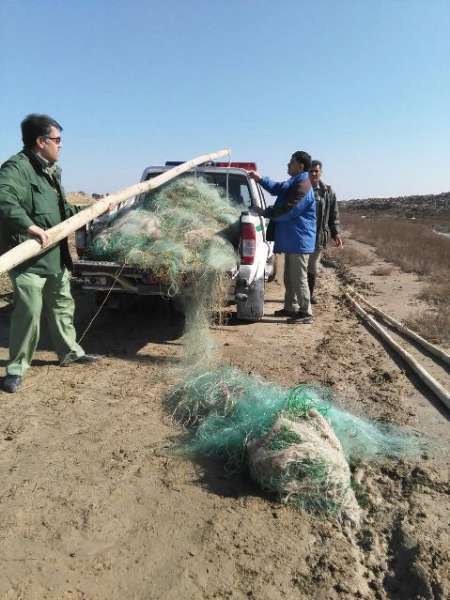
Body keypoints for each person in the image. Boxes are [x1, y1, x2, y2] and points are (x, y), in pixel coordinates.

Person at [0, 114, 101, 393]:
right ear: (40, 142)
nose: (61, 145)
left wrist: (91, 211)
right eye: (57, 140)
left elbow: (61, 210)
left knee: (62, 307)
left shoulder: (52, 171)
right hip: (29, 259)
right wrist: (29, 225)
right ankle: (16, 368)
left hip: (55, 256)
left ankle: (69, 353)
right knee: (28, 313)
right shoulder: (17, 168)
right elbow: (3, 197)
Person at [249, 151, 316, 324]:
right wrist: (260, 179)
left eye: (291, 162)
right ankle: (291, 307)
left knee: (299, 278)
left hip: (299, 240)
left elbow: (288, 210)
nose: (288, 164)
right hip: (293, 239)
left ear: (300, 165)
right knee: (289, 277)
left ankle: (306, 312)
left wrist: (265, 212)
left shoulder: (303, 185)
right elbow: (278, 188)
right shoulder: (295, 182)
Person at [308, 160, 342, 303]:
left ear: (321, 172)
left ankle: (308, 295)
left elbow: (333, 215)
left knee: (312, 266)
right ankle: (298, 296)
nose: (314, 173)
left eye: (316, 171)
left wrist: (336, 234)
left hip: (319, 236)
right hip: (302, 236)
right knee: (299, 268)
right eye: (311, 171)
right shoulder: (301, 188)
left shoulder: (328, 191)